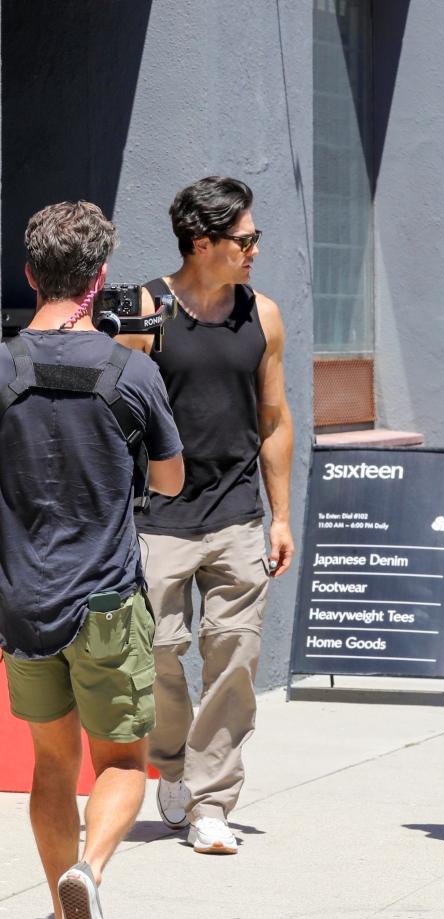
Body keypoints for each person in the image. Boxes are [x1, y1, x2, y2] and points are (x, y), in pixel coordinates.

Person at [0, 201, 184, 919]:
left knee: (51, 762)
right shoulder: (129, 370)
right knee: (118, 760)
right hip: (106, 598)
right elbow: (171, 482)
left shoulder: (3, 367)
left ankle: (58, 910)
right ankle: (91, 878)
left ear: (32, 273)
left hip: (23, 597)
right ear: (100, 278)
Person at [124, 176, 294, 854]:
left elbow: (274, 420)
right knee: (159, 651)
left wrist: (279, 517)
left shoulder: (262, 314)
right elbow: (121, 419)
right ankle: (171, 762)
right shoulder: (145, 310)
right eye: (244, 240)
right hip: (158, 518)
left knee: (234, 658)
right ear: (202, 244)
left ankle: (211, 800)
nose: (254, 250)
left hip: (235, 515)